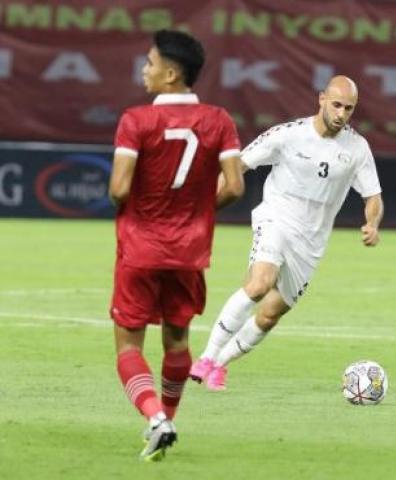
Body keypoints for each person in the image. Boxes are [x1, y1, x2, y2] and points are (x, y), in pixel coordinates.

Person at [189, 75, 384, 391]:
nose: (341, 114)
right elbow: (238, 166)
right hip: (276, 219)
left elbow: (372, 196)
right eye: (336, 105)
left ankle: (219, 366)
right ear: (321, 99)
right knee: (259, 284)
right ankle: (207, 357)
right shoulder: (287, 135)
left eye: (348, 108)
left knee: (269, 315)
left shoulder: (357, 148)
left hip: (311, 242)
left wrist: (372, 224)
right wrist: (202, 204)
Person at [108, 29, 243, 461]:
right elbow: (236, 186)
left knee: (129, 345)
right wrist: (199, 209)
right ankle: (168, 417)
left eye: (149, 63)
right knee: (177, 342)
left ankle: (154, 418)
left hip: (141, 248)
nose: (144, 70)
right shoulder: (219, 120)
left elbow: (118, 188)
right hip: (189, 251)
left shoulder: (136, 120)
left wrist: (144, 206)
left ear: (170, 73)